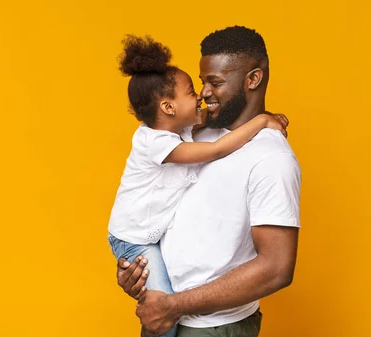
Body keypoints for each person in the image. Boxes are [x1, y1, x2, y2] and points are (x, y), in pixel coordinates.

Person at [115, 26, 302, 337]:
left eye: (215, 82)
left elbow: (276, 269)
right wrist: (139, 271)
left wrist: (174, 305)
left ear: (252, 80)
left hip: (212, 328)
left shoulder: (271, 157)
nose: (203, 93)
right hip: (165, 316)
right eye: (200, 84)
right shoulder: (192, 134)